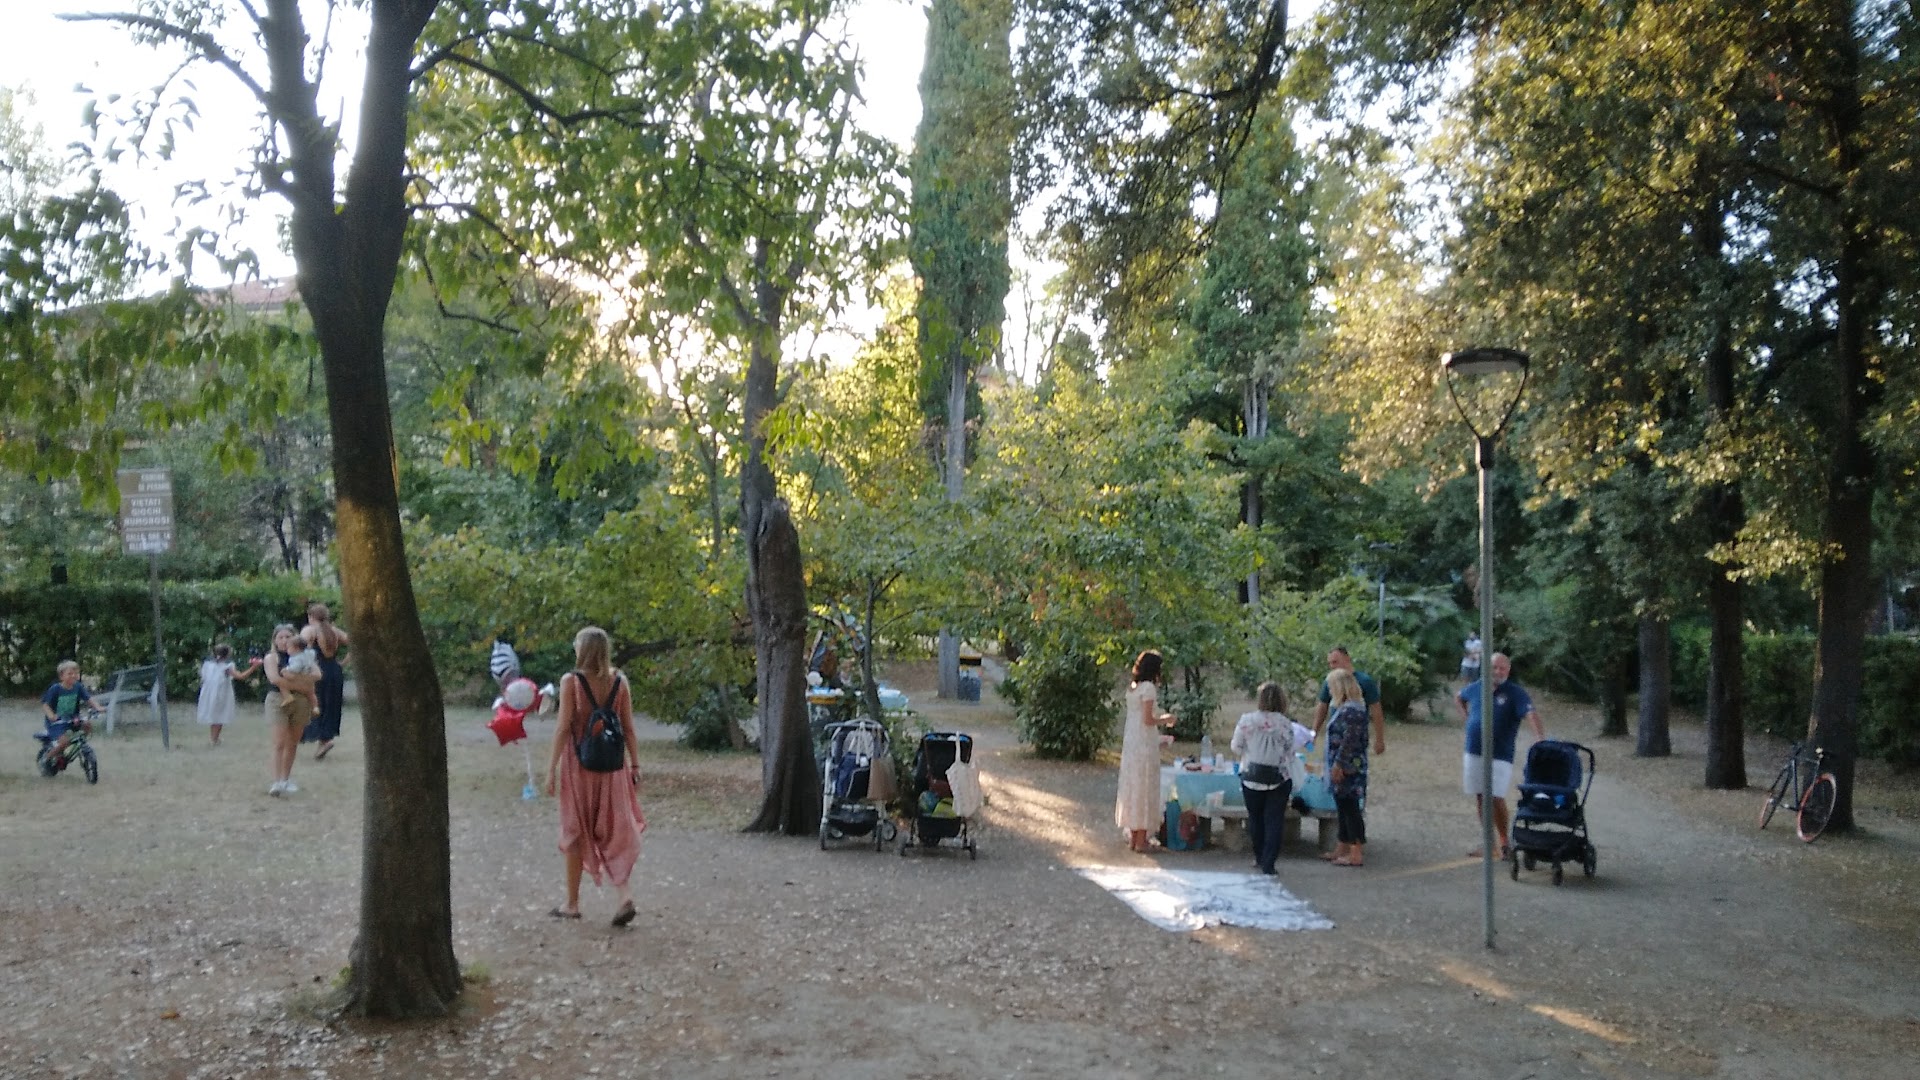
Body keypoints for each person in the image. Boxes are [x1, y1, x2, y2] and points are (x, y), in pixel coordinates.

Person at [546, 626, 646, 926]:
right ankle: (624, 895)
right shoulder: (620, 682)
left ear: (583, 649)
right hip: (613, 769)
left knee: (575, 831)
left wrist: (550, 768)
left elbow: (563, 728)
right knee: (613, 831)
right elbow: (629, 728)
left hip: (579, 767)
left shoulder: (571, 682)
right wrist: (635, 765)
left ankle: (572, 904)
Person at [1456, 652, 1546, 857]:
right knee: (1481, 796)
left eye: (1502, 668)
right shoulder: (1477, 686)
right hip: (1474, 750)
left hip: (1500, 753)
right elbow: (1459, 697)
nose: (1497, 672)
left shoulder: (1515, 693)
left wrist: (1540, 738)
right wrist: (1467, 720)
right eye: (1494, 667)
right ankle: (1489, 843)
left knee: (1495, 797)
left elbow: (1530, 714)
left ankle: (1505, 842)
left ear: (1508, 670)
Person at [1230, 681, 1297, 875]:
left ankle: (1259, 856)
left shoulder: (1247, 720)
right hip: (1278, 776)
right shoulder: (1285, 723)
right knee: (1274, 820)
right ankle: (1269, 863)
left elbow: (1236, 747)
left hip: (1251, 776)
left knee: (1255, 818)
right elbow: (1289, 750)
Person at [1114, 649, 1176, 854]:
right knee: (1145, 787)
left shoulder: (1133, 687)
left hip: (1132, 740)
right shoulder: (1148, 688)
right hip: (1144, 742)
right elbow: (1148, 719)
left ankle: (1134, 838)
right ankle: (1141, 840)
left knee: (1134, 786)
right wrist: (1167, 719)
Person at [1323, 668, 1373, 867]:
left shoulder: (1352, 710)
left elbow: (1349, 740)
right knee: (1342, 806)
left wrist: (1339, 764)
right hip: (1344, 764)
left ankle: (1355, 852)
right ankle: (1342, 846)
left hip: (1348, 766)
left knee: (1351, 807)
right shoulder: (1348, 708)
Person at [263, 624, 320, 796]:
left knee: (292, 742)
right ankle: (276, 782)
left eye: (288, 637)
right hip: (277, 700)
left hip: (301, 701)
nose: (284, 640)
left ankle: (285, 779)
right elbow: (275, 679)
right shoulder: (272, 658)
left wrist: (298, 683)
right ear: (275, 640)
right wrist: (302, 684)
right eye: (280, 637)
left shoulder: (305, 657)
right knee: (279, 742)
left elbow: (317, 675)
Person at [1311, 646, 1386, 758]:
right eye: (1330, 663)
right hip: (1335, 733)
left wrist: (1379, 739)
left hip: (1356, 734)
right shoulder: (1330, 681)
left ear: (1347, 659)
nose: (1332, 666)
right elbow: (1322, 707)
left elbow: (1376, 710)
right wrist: (1313, 734)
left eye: (1335, 662)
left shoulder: (1364, 681)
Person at [299, 602, 350, 760]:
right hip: (334, 670)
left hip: (317, 670)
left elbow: (300, 647)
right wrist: (343, 662)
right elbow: (354, 643)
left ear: (310, 616)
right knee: (330, 705)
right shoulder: (334, 631)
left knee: (314, 703)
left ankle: (319, 738)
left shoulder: (310, 630)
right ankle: (325, 740)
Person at [196, 644, 259, 745]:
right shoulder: (227, 667)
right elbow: (241, 676)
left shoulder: (207, 664)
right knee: (219, 716)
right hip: (221, 694)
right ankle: (214, 739)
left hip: (208, 693)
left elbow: (203, 677)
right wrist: (253, 667)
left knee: (214, 716)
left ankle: (214, 738)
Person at [41, 660, 101, 760]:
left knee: (87, 725)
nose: (73, 676)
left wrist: (97, 707)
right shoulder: (55, 688)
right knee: (64, 742)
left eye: (76, 673)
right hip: (56, 722)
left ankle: (79, 746)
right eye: (70, 674)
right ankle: (46, 758)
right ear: (61, 676)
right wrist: (51, 716)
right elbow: (45, 705)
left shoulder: (78, 687)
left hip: (73, 718)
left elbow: (88, 699)